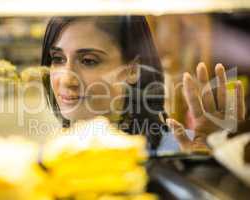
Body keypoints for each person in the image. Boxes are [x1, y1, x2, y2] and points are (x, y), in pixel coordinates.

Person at [41, 16, 246, 152]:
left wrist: (214, 158)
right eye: (58, 59)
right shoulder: (51, 154)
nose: (67, 79)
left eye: (88, 61)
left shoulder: (180, 150)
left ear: (133, 69)